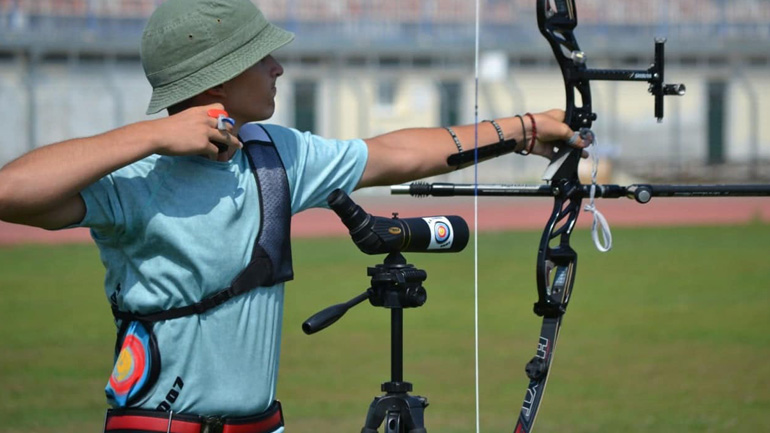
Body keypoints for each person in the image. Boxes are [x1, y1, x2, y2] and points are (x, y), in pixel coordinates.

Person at [0, 0, 586, 431]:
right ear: (220, 77)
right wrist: (154, 135)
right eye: (263, 57)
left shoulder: (275, 154)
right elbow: (11, 191)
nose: (278, 68)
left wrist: (521, 129)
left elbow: (394, 154)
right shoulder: (133, 178)